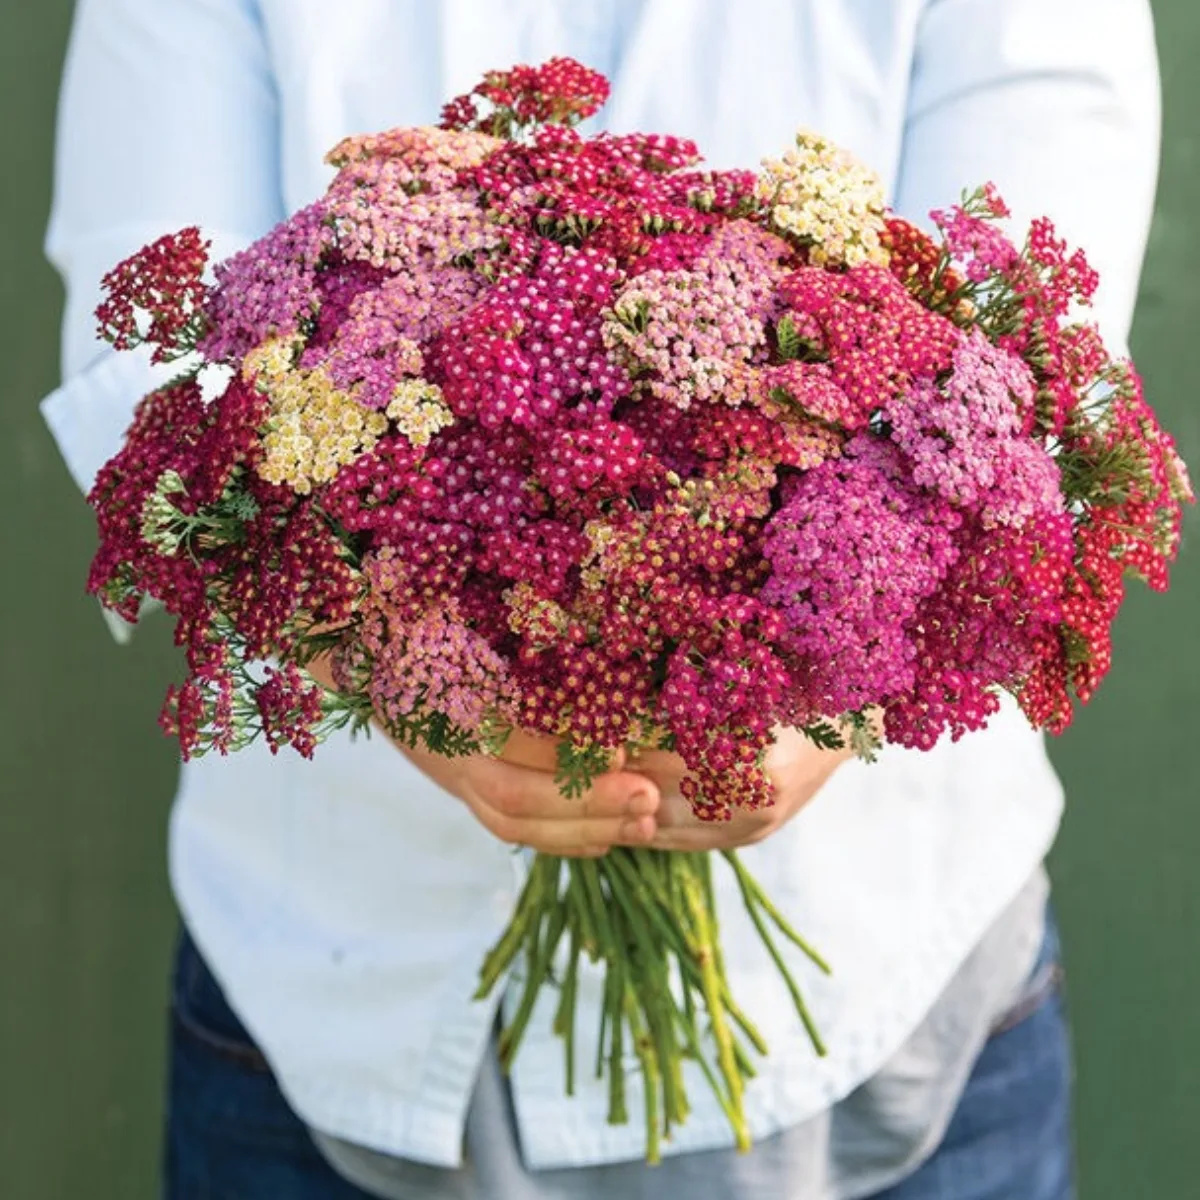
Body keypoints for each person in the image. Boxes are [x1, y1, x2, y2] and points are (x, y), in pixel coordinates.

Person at [41, 1, 1160, 1197]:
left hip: (881, 989)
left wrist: (823, 702)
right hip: (331, 981)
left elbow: (1043, 393)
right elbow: (147, 381)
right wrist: (394, 665)